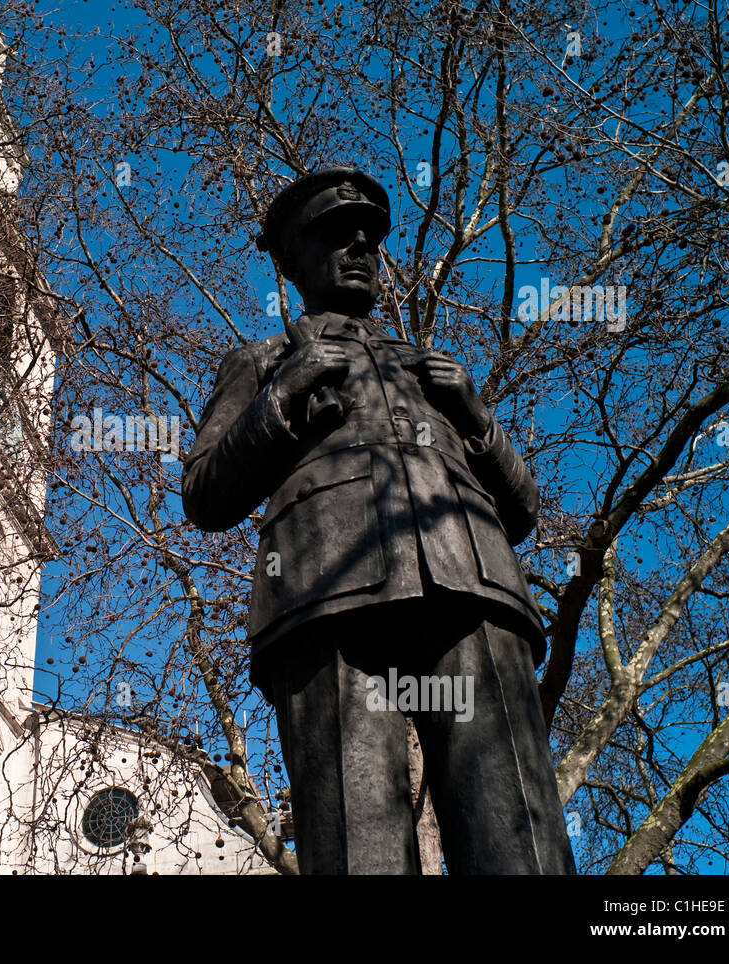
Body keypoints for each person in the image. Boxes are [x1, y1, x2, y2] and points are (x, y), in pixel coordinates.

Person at [181, 167, 576, 874]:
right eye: (336, 234)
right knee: (357, 845)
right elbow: (205, 495)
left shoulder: (432, 370)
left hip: (474, 584)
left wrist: (476, 414)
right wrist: (283, 398)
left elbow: (524, 511)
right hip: (326, 595)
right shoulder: (263, 361)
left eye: (372, 237)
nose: (362, 247)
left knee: (517, 835)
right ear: (290, 259)